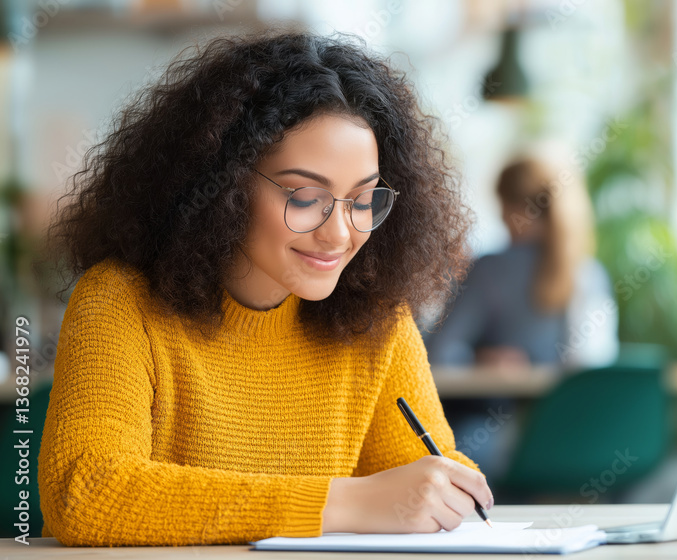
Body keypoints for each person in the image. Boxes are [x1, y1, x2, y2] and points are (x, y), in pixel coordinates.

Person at [37, 31, 492, 547]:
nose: (340, 234)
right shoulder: (119, 303)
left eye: (363, 200)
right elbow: (86, 494)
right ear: (223, 184)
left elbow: (414, 480)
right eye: (304, 196)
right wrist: (346, 502)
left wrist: (445, 489)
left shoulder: (376, 317)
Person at [424, 148, 618, 368]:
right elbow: (596, 365)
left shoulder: (491, 270)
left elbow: (437, 352)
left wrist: (478, 359)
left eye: (503, 206)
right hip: (569, 402)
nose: (501, 218)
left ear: (518, 209)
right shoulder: (591, 275)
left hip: (495, 401)